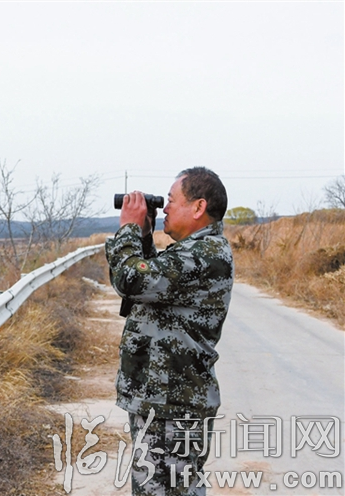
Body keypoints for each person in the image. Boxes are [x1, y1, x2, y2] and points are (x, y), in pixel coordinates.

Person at [105, 167, 234, 495]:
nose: (164, 208)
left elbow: (131, 280)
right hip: (166, 401)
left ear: (198, 207)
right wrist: (144, 236)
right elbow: (151, 288)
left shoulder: (205, 254)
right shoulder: (195, 252)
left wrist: (129, 228)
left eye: (171, 201)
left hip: (173, 405)